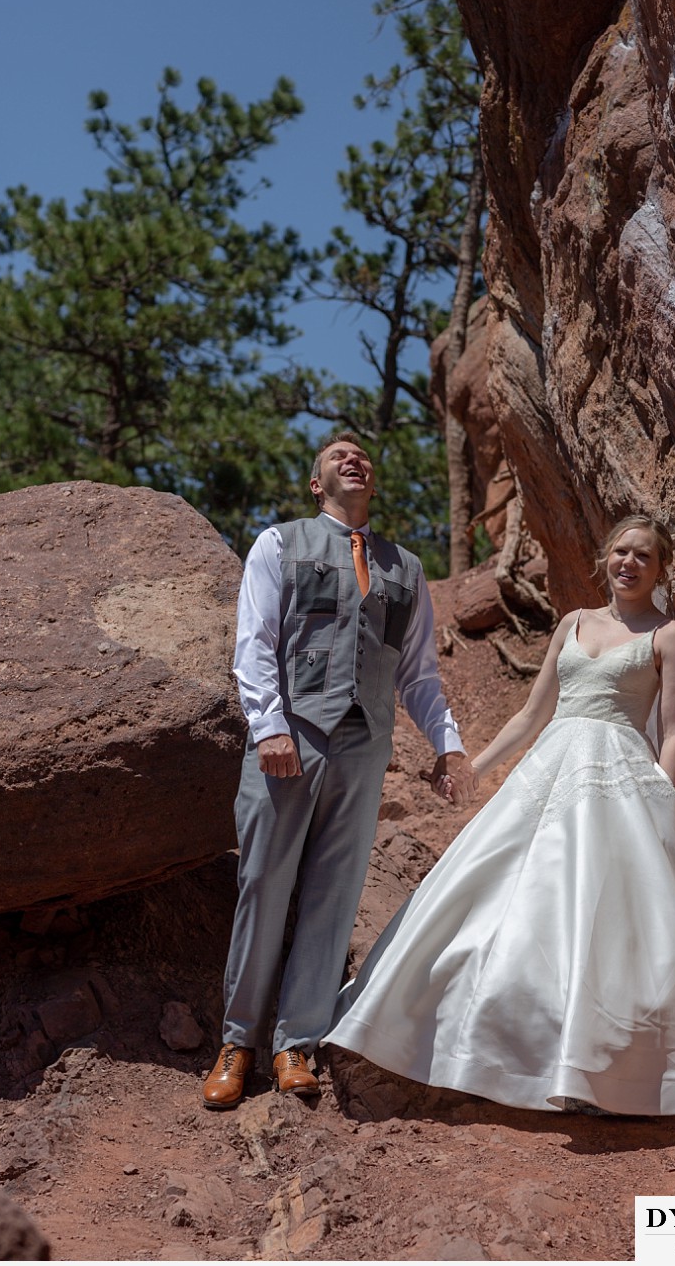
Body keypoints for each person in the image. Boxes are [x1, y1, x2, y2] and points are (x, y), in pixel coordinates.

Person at [325, 514, 675, 1116]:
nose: (629, 563)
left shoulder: (668, 634)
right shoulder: (573, 623)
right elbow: (531, 713)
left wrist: (661, 795)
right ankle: (481, 1042)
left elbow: (673, 729)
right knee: (507, 894)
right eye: (621, 551)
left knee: (615, 917)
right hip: (549, 768)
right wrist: (473, 767)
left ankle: (614, 1069)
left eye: (643, 556)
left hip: (623, 776)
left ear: (660, 568)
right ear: (605, 558)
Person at [202, 435, 474, 1109]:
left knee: (334, 893)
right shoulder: (278, 544)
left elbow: (417, 674)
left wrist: (447, 744)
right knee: (264, 883)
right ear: (316, 484)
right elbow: (255, 642)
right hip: (288, 743)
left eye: (362, 456)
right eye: (337, 455)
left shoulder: (405, 570)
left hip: (362, 751)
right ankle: (237, 1041)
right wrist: (268, 726)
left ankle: (297, 1043)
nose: (354, 460)